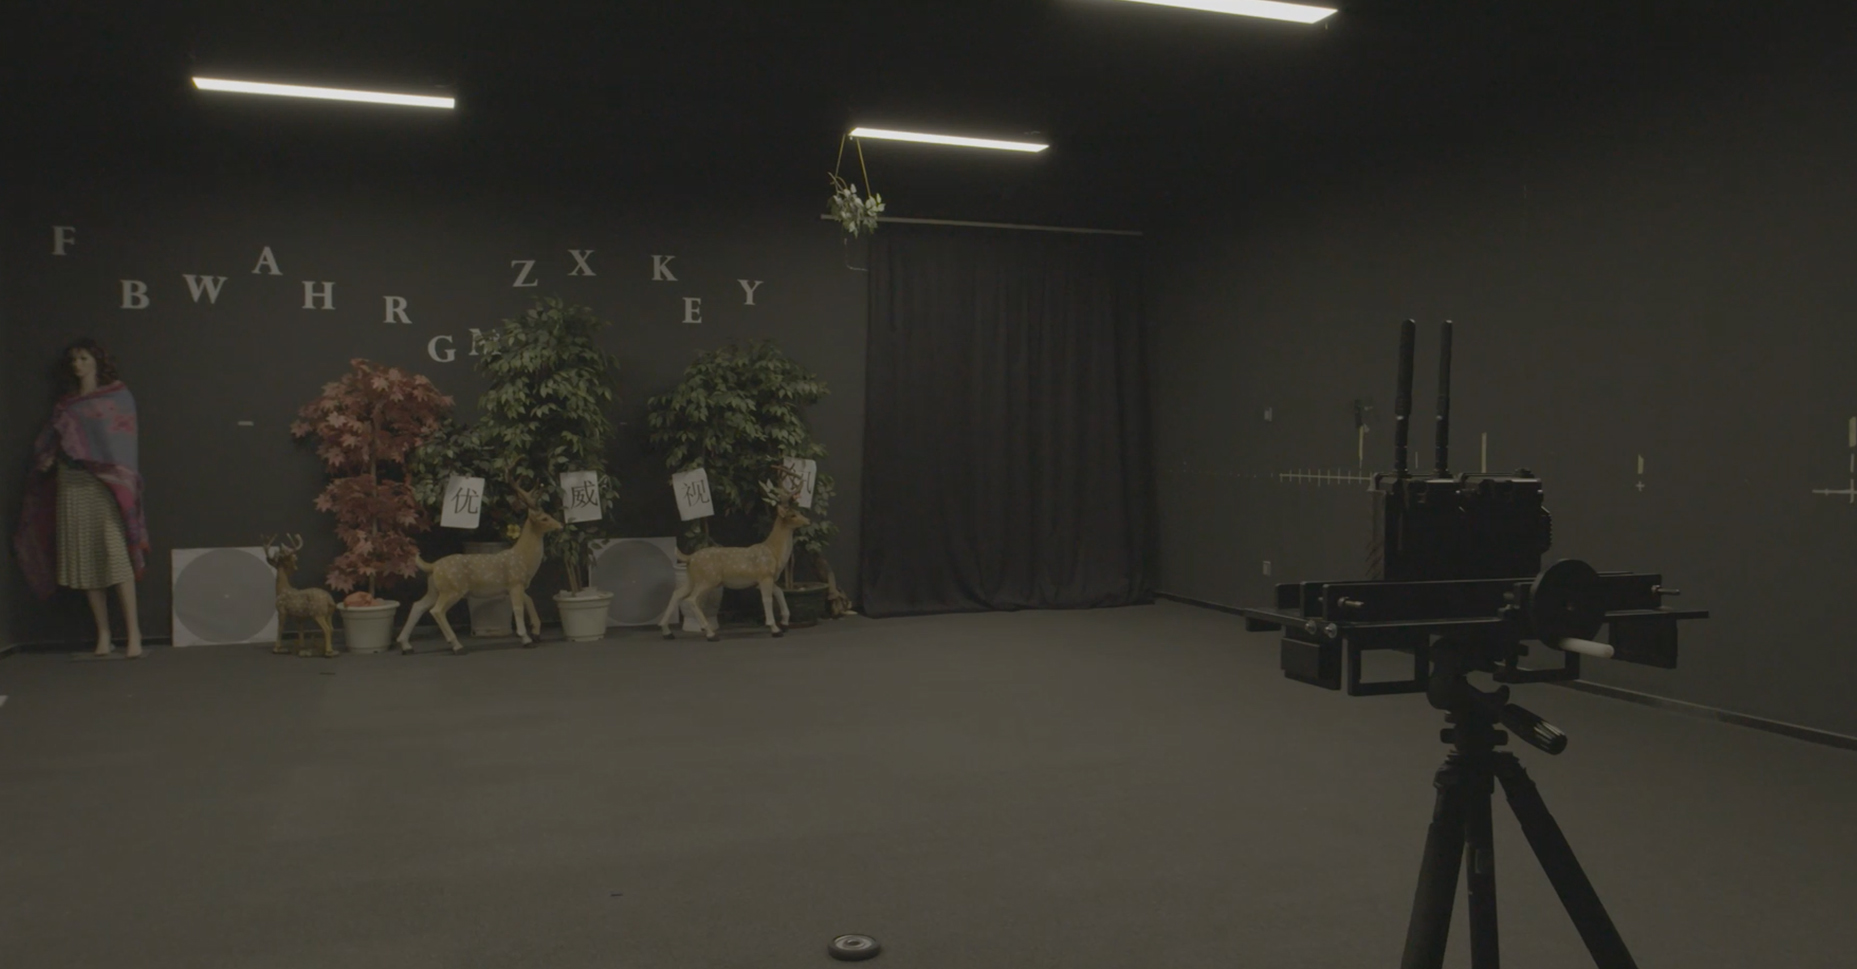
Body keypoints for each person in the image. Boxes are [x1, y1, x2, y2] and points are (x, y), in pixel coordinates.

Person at [13, 338, 150, 657]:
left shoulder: (117, 397)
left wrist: (109, 471)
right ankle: (103, 633)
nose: (78, 365)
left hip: (105, 484)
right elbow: (51, 441)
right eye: (74, 360)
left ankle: (134, 633)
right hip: (71, 482)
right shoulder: (66, 404)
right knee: (85, 556)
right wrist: (48, 458)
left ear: (97, 361)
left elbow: (122, 442)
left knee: (115, 554)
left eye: (84, 358)